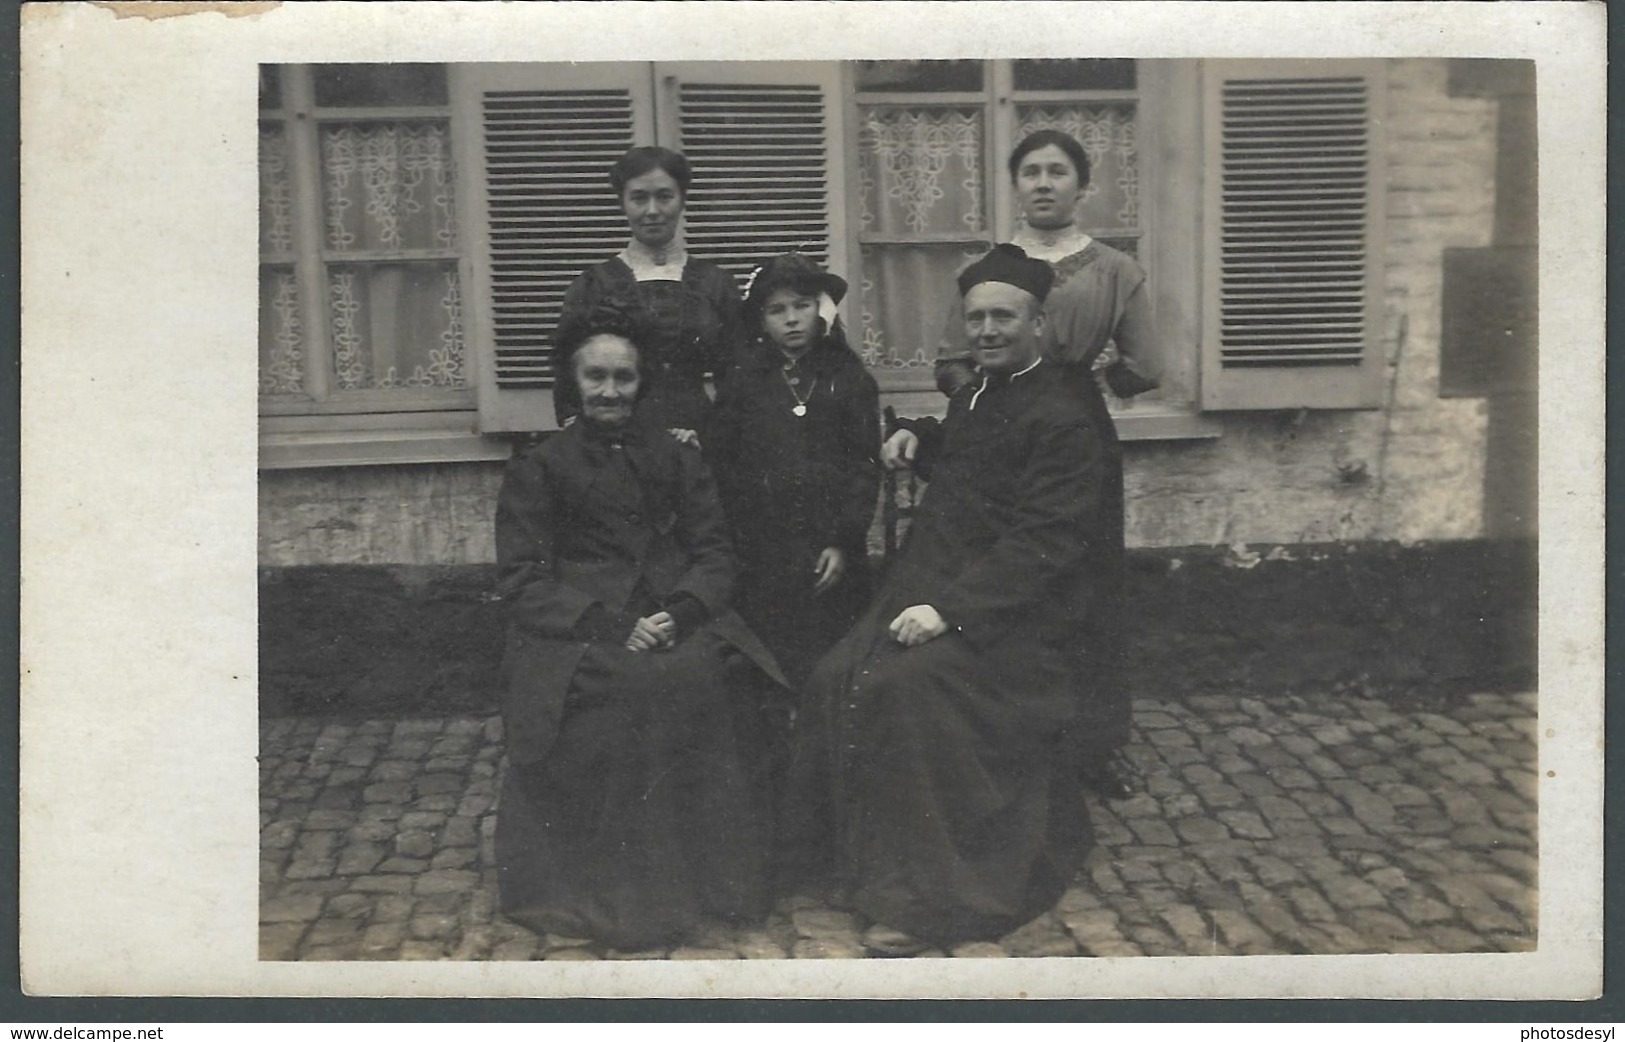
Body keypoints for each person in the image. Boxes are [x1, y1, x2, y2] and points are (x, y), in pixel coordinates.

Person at [781, 245, 1108, 949]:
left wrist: (949, 611)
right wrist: (914, 435)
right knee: (834, 676)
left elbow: (1042, 543)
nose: (987, 330)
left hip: (1015, 624)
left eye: (1003, 317)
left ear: (1039, 323)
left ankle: (920, 897)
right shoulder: (978, 393)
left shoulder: (1064, 414)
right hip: (937, 592)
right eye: (976, 317)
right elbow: (970, 459)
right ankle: (850, 866)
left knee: (904, 691)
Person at [492, 298, 787, 950]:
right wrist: (604, 623)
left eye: (623, 377)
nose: (609, 391)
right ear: (572, 384)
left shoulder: (677, 458)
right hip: (576, 631)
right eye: (594, 377)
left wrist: (681, 611)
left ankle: (720, 883)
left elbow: (715, 553)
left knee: (723, 675)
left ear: (641, 383)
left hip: (671, 612)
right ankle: (632, 897)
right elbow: (520, 580)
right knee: (630, 692)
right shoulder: (539, 468)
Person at [911, 128, 1162, 800]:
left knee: (1087, 584)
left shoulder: (1114, 269)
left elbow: (1147, 366)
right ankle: (1003, 734)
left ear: (1082, 187)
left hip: (1073, 429)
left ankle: (1094, 745)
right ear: (1014, 186)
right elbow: (950, 360)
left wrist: (1083, 383)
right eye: (1029, 173)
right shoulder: (987, 270)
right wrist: (988, 402)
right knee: (1000, 569)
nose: (1043, 184)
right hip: (995, 428)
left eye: (1057, 172)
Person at [706, 253, 881, 687]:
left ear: (821, 309)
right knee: (768, 656)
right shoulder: (744, 383)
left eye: (801, 305)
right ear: (761, 321)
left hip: (831, 548)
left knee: (831, 651)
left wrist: (843, 541)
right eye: (776, 310)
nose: (791, 320)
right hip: (763, 547)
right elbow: (726, 466)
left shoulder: (849, 378)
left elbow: (863, 465)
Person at [551, 146, 745, 437]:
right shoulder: (594, 285)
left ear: (682, 201)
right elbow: (568, 379)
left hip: (698, 440)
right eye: (639, 198)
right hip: (614, 444)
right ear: (623, 203)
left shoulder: (715, 284)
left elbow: (737, 379)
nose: (652, 211)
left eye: (664, 197)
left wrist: (713, 436)